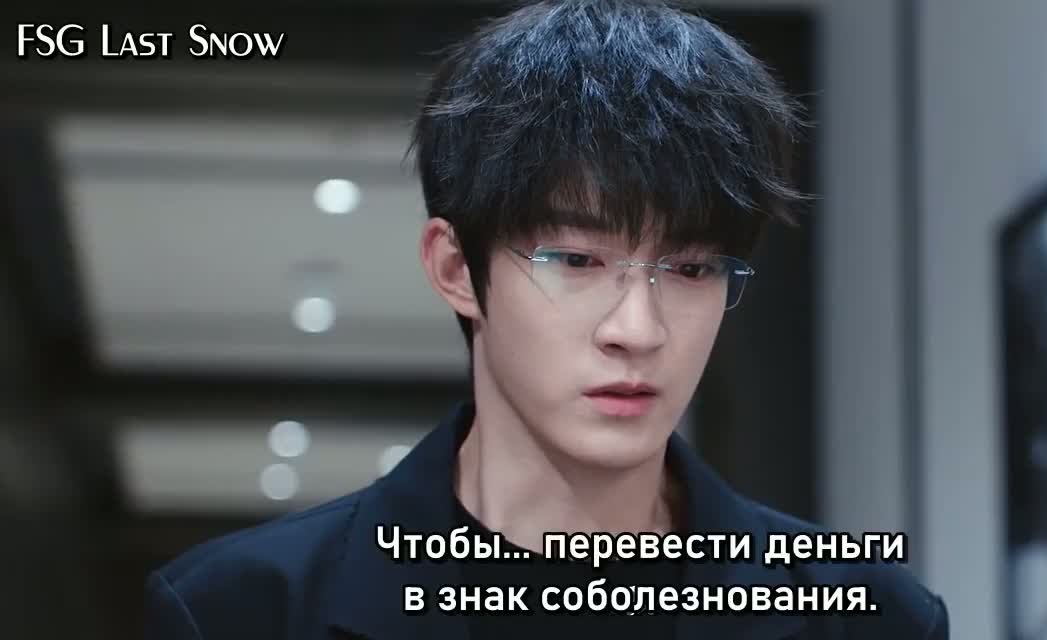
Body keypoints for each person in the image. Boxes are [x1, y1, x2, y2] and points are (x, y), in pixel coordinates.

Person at [143, 1, 948, 638]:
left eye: (691, 268)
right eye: (577, 260)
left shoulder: (867, 616)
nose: (638, 329)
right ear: (456, 269)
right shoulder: (242, 610)